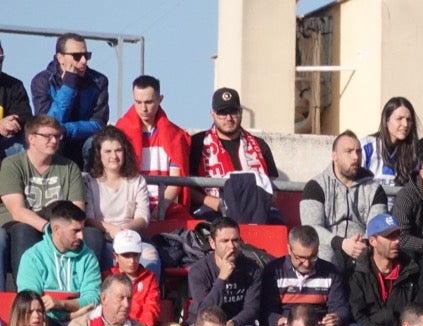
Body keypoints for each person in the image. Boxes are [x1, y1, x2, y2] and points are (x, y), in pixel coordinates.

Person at [0, 115, 83, 288]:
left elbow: (77, 210)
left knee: (90, 236)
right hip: (16, 225)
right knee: (24, 230)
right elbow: (17, 211)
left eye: (57, 136)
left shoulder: (70, 167)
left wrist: (60, 230)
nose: (54, 141)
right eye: (47, 136)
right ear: (31, 138)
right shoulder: (12, 164)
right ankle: (25, 296)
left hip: (58, 227)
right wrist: (49, 228)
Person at [300, 130, 388, 269]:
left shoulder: (375, 189)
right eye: (349, 151)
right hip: (328, 250)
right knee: (325, 253)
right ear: (334, 156)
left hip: (362, 248)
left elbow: (376, 226)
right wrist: (341, 243)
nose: (355, 157)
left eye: (358, 152)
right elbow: (311, 228)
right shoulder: (315, 187)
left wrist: (361, 244)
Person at [187, 88, 278, 219]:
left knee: (279, 224)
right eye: (222, 113)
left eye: (233, 112)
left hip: (256, 213)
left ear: (240, 112)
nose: (229, 118)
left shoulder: (259, 145)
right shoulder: (197, 143)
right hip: (212, 211)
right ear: (212, 114)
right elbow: (184, 186)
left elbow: (273, 187)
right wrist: (211, 202)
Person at [113, 74, 191, 222]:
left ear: (160, 99)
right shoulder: (119, 132)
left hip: (165, 208)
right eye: (138, 102)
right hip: (128, 205)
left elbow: (176, 182)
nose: (143, 108)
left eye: (149, 102)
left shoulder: (176, 135)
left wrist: (158, 211)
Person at [16, 200, 100, 326]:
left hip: (82, 322)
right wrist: (70, 315)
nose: (82, 236)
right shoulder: (33, 257)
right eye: (75, 231)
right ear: (56, 229)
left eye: (82, 230)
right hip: (46, 325)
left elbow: (93, 299)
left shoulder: (88, 257)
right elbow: (30, 303)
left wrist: (62, 304)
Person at [186, 217, 264, 326]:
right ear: (212, 243)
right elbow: (202, 310)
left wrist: (232, 323)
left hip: (237, 324)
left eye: (235, 240)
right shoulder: (199, 270)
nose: (232, 246)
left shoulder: (252, 268)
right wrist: (222, 278)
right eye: (225, 241)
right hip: (204, 324)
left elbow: (252, 308)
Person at [28, 34, 108, 163]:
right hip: (56, 141)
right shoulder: (42, 81)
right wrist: (68, 86)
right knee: (50, 142)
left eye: (86, 55)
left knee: (97, 144)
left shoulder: (99, 81)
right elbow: (48, 124)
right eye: (77, 56)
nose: (83, 61)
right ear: (60, 58)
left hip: (85, 140)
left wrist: (66, 130)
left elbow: (99, 123)